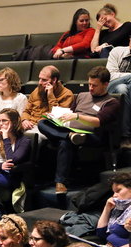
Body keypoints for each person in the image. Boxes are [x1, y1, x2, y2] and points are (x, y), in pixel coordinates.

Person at [38, 66, 120, 194]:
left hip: (91, 134)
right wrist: (57, 116)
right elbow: (70, 112)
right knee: (42, 123)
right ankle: (68, 136)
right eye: (89, 84)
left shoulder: (111, 102)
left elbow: (98, 122)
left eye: (94, 85)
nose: (91, 88)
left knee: (64, 143)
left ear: (106, 84)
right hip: (71, 129)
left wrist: (77, 116)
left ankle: (60, 182)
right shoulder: (82, 95)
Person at [0, 108, 31, 190]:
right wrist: (0, 165)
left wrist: (5, 138)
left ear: (14, 122)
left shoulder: (24, 141)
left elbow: (12, 160)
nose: (1, 124)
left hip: (9, 176)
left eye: (4, 120)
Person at [21, 66, 74, 139]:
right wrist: (24, 120)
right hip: (30, 125)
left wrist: (51, 96)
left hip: (46, 128)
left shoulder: (67, 94)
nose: (40, 82)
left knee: (33, 137)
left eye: (44, 80)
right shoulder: (36, 91)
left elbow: (59, 118)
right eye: (39, 79)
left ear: (54, 80)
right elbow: (26, 111)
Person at [106, 36, 131, 147]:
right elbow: (110, 75)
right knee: (121, 87)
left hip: (123, 89)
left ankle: (124, 136)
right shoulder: (117, 51)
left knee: (123, 89)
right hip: (112, 85)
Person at [96, 172, 131, 247]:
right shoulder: (119, 207)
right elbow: (101, 233)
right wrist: (107, 208)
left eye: (118, 190)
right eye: (113, 192)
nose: (114, 195)